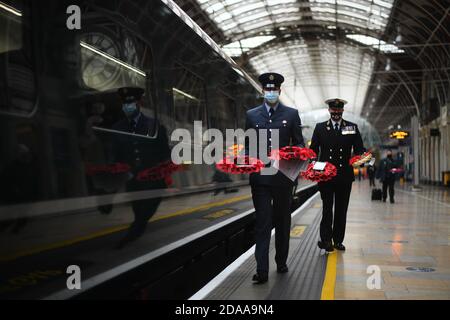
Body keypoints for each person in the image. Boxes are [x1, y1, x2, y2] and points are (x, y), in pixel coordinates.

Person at [244, 72, 305, 284]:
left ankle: (281, 261)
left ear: (280, 91)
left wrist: (291, 151)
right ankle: (261, 270)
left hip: (283, 179)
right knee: (262, 223)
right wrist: (245, 158)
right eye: (267, 90)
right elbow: (248, 145)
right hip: (260, 179)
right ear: (263, 91)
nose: (271, 92)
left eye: (274, 90)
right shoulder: (251, 115)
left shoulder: (292, 114)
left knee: (282, 221)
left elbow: (300, 145)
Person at [112, 87, 171, 248]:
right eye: (125, 103)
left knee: (144, 213)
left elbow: (165, 153)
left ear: (139, 103)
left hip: (154, 180)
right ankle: (135, 233)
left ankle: (132, 234)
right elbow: (116, 155)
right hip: (133, 181)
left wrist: (162, 172)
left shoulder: (154, 125)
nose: (127, 106)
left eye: (130, 102)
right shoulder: (117, 128)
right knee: (139, 211)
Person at [309, 98, 366, 252]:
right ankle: (326, 240)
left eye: (338, 111)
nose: (336, 113)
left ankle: (338, 240)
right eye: (333, 111)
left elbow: (359, 149)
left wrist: (362, 157)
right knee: (327, 208)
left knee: (341, 209)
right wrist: (314, 163)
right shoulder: (320, 128)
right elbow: (313, 150)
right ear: (329, 111)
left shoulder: (351, 127)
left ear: (342, 111)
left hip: (344, 176)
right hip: (325, 176)